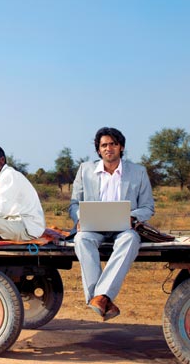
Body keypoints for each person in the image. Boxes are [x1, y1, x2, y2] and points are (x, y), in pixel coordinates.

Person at [70, 127, 154, 321]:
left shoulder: (138, 172)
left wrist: (132, 217)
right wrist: (80, 218)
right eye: (104, 145)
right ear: (98, 150)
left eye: (113, 144)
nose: (109, 148)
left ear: (121, 147)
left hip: (124, 227)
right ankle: (103, 297)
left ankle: (100, 297)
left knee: (131, 239)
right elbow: (74, 204)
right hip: (93, 227)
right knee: (81, 239)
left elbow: (148, 206)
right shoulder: (85, 170)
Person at [0, 144, 45, 242]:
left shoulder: (8, 175)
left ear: (2, 160)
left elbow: (0, 210)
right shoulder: (3, 176)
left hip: (27, 227)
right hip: (20, 223)